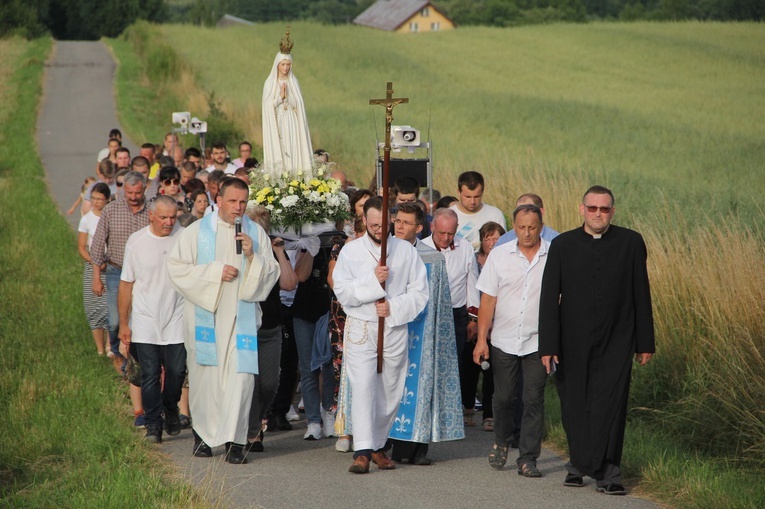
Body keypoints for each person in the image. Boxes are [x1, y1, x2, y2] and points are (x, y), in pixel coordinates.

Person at [539, 185, 655, 495]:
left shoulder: (630, 242)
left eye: (604, 209)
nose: (598, 214)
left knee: (612, 404)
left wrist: (645, 342)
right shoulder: (562, 245)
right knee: (575, 403)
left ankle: (609, 473)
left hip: (618, 338)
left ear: (612, 212)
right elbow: (549, 298)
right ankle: (578, 464)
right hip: (572, 341)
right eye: (593, 209)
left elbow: (641, 293)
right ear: (582, 210)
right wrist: (548, 346)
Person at [167, 178, 280, 464]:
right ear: (219, 199)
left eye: (243, 202)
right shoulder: (196, 232)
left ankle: (234, 442)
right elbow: (177, 269)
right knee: (206, 380)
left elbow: (272, 271)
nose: (238, 208)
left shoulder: (254, 232)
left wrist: (254, 256)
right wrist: (215, 272)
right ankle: (203, 437)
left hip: (241, 321)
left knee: (241, 382)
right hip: (208, 319)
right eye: (232, 201)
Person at [332, 197, 429, 474]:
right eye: (372, 224)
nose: (377, 229)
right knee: (363, 387)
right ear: (364, 220)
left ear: (390, 221)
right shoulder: (351, 252)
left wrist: (393, 307)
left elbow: (420, 293)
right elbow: (343, 292)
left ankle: (377, 446)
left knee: (390, 390)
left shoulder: (406, 251)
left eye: (382, 224)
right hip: (363, 327)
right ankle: (362, 452)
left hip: (393, 327)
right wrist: (373, 281)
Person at [473, 204, 550, 479]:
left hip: (539, 342)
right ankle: (502, 440)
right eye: (521, 227)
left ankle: (528, 458)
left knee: (533, 399)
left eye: (532, 227)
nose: (526, 233)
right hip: (504, 339)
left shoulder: (552, 255)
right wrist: (482, 339)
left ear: (541, 226)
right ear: (514, 227)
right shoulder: (500, 256)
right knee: (504, 398)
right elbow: (488, 299)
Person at [387, 202, 464, 465]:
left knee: (421, 385)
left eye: (406, 222)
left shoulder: (432, 258)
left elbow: (441, 304)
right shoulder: (383, 253)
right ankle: (382, 443)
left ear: (419, 228)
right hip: (391, 330)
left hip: (422, 334)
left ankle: (418, 448)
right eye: (397, 221)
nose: (399, 226)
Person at [117, 196, 185, 443]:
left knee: (177, 372)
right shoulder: (136, 242)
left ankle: (171, 407)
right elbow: (126, 285)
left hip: (177, 318)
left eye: (173, 217)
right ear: (151, 216)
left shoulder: (185, 237)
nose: (169, 222)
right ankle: (153, 424)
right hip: (145, 320)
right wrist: (124, 324)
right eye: (164, 217)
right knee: (150, 374)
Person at [90, 171, 149, 425]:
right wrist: (96, 276)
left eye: (138, 193)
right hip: (116, 270)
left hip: (145, 274)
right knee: (115, 321)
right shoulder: (111, 211)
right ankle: (118, 352)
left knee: (141, 321)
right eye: (130, 193)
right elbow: (97, 246)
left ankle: (135, 361)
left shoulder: (152, 210)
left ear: (144, 189)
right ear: (122, 189)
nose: (134, 198)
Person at [244, 206, 298, 454]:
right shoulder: (239, 252)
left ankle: (256, 420)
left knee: (269, 384)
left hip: (270, 326)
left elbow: (289, 284)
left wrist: (279, 251)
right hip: (244, 325)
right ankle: (252, 430)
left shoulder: (271, 252)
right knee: (249, 383)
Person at [421, 208, 480, 427]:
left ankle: (449, 413)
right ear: (432, 227)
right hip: (428, 313)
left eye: (451, 233)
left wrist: (473, 318)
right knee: (430, 362)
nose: (446, 238)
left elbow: (471, 282)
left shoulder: (464, 247)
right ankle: (428, 411)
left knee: (453, 363)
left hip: (456, 314)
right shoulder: (421, 248)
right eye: (442, 233)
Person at [469, 221, 506, 433]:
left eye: (496, 237)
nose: (492, 242)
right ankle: (468, 406)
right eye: (487, 238)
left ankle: (490, 414)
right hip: (475, 318)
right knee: (472, 368)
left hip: (499, 321)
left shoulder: (506, 260)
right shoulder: (475, 261)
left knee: (492, 371)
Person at [261, 29, 313, 173]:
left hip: (291, 121)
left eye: (288, 65)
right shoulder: (270, 83)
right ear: (277, 65)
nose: (285, 68)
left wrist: (288, 97)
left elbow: (299, 105)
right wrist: (280, 98)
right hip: (277, 121)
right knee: (281, 149)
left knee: (293, 149)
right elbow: (267, 107)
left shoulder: (293, 82)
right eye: (283, 64)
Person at [77, 182, 111, 356]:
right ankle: (99, 350)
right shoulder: (87, 219)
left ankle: (109, 346)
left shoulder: (112, 216)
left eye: (100, 199)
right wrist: (94, 261)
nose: (97, 202)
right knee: (94, 306)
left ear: (107, 200)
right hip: (93, 265)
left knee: (110, 307)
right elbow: (82, 247)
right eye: (94, 199)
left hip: (111, 264)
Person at [450, 171, 507, 251]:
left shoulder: (495, 215)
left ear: (482, 192)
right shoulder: (448, 216)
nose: (472, 201)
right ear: (459, 192)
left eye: (477, 196)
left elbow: (503, 246)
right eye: (468, 197)